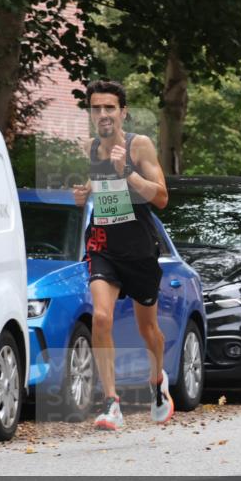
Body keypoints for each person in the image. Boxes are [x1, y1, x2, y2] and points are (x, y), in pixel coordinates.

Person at [72, 80, 172, 430]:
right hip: (102, 246)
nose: (103, 114)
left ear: (122, 112)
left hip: (140, 249)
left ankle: (158, 381)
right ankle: (111, 401)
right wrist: (85, 195)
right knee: (101, 317)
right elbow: (101, 192)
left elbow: (161, 198)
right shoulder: (89, 149)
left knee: (149, 330)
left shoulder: (138, 146)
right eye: (96, 108)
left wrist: (126, 173)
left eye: (109, 107)